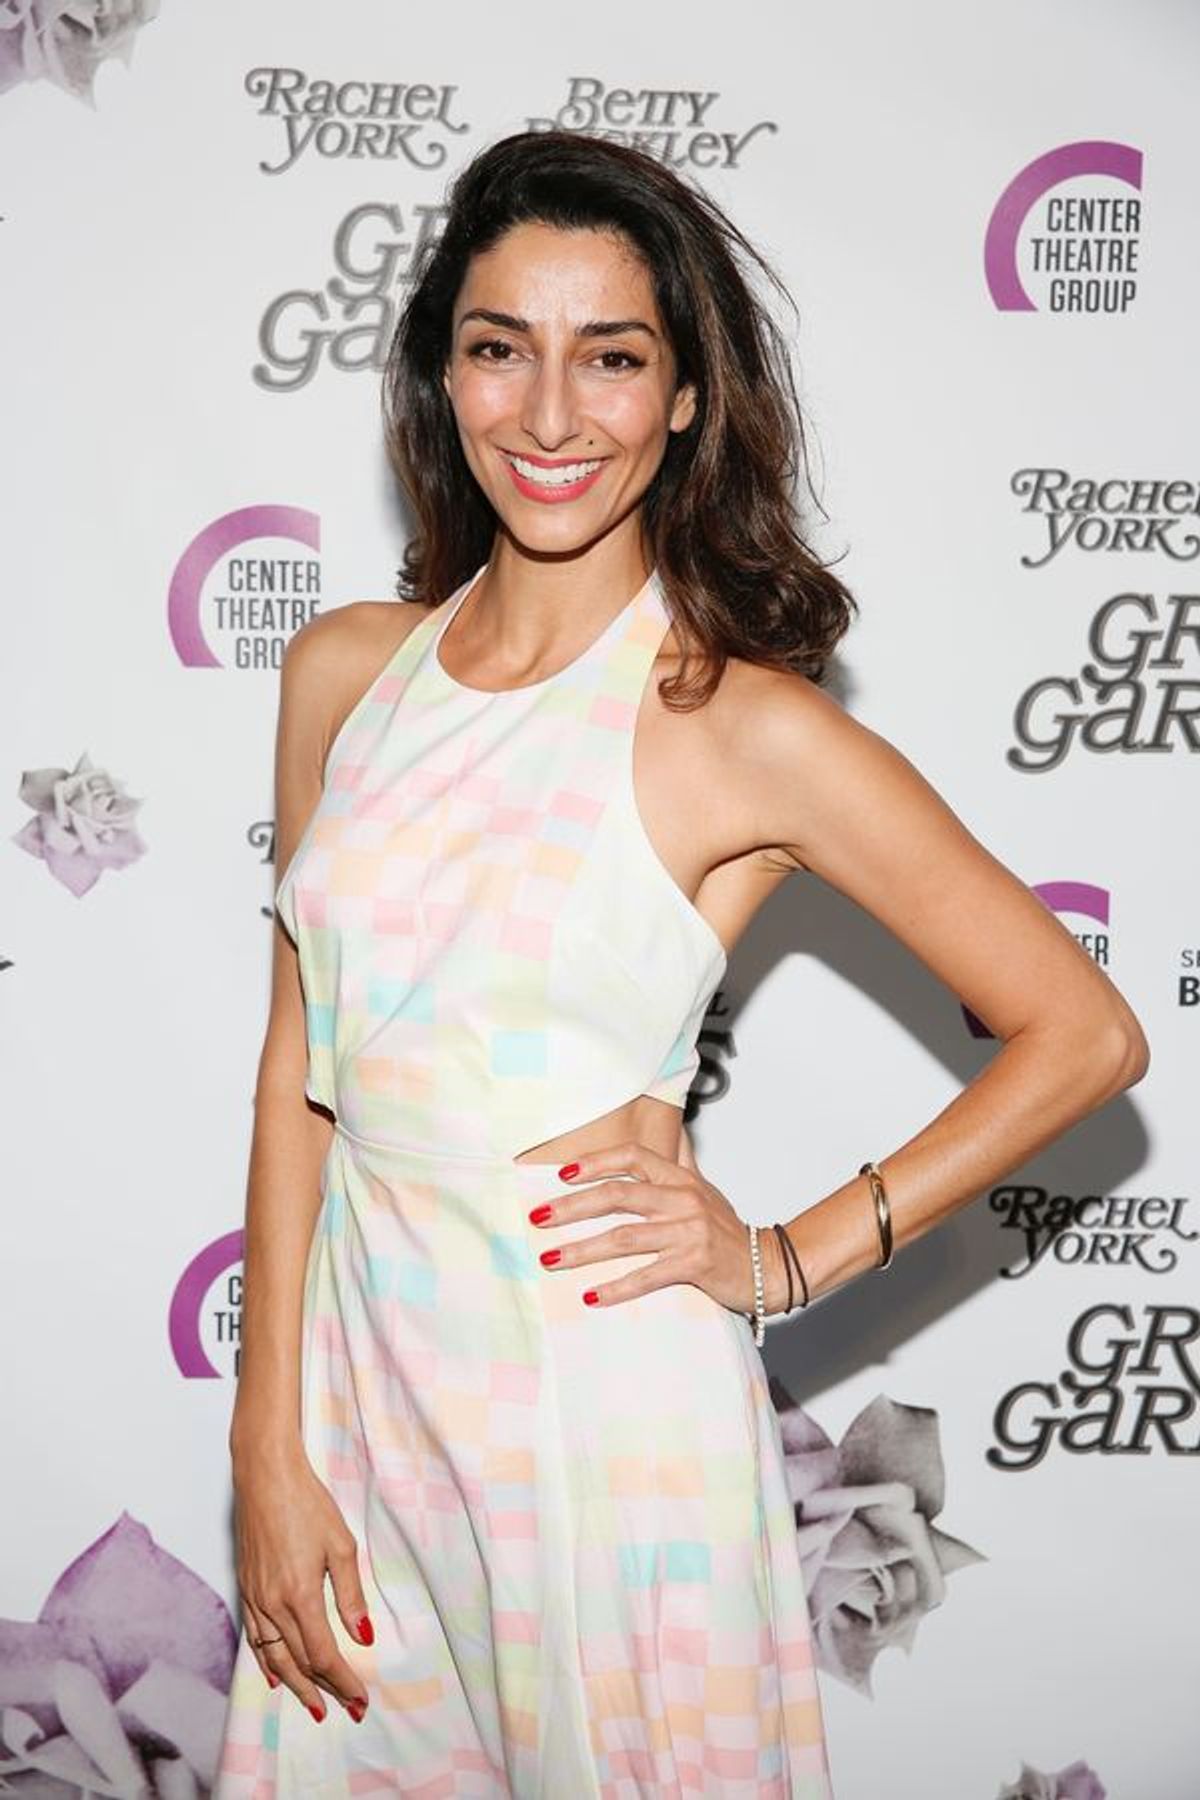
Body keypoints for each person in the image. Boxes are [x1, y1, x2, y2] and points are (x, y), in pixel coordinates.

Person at [213, 129, 1149, 1797]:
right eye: (500, 347)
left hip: (604, 1425)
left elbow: (1083, 1033)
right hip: (364, 1408)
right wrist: (264, 1441)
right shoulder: (345, 672)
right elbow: (301, 1075)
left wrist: (787, 1258)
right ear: (442, 372)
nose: (549, 413)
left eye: (613, 357)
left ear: (688, 397)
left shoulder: (742, 727)